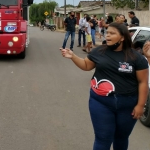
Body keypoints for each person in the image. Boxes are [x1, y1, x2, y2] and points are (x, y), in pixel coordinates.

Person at [60, 22, 149, 150]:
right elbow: (86, 66)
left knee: (121, 138)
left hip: (127, 105)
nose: (107, 36)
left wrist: (140, 106)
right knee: (103, 138)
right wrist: (72, 56)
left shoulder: (136, 57)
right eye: (107, 33)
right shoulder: (99, 51)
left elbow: (143, 82)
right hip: (101, 103)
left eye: (112, 33)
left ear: (123, 37)